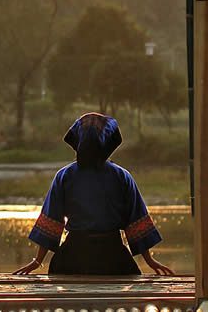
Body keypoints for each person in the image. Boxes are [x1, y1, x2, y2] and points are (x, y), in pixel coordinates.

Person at [14, 112, 175, 277]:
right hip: (113, 257)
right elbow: (135, 219)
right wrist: (149, 261)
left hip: (73, 257)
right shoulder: (121, 176)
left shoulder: (65, 176)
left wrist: (38, 261)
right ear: (108, 144)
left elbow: (52, 220)